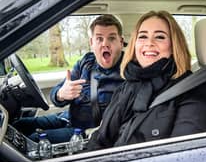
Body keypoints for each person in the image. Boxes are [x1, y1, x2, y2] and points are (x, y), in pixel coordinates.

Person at [86, 10, 206, 151]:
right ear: (135, 45)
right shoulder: (127, 87)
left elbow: (182, 156)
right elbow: (101, 137)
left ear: (173, 46)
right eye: (143, 37)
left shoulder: (192, 88)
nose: (149, 43)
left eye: (159, 37)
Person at [13, 14, 125, 143]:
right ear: (91, 43)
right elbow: (56, 94)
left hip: (86, 132)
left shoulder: (129, 71)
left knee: (34, 140)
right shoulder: (87, 62)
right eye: (99, 39)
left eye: (111, 38)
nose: (105, 44)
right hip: (66, 117)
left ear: (121, 42)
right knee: (19, 125)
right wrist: (61, 94)